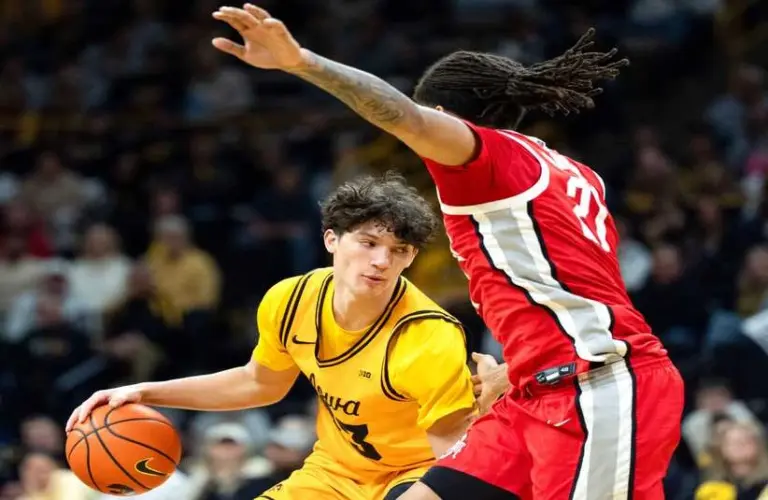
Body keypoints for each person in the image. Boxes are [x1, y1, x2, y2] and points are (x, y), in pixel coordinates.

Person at [209, 5, 685, 500]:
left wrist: (302, 62)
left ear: (440, 116)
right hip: (538, 389)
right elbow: (575, 288)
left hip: (596, 391)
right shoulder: (571, 171)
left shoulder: (482, 160)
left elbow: (398, 114)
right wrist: (519, 364)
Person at [66, 173, 479, 500]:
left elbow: (456, 459)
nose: (381, 261)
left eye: (399, 250)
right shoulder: (291, 299)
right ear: (331, 239)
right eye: (369, 242)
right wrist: (144, 392)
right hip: (335, 473)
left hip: (414, 477)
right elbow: (259, 383)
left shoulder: (428, 336)